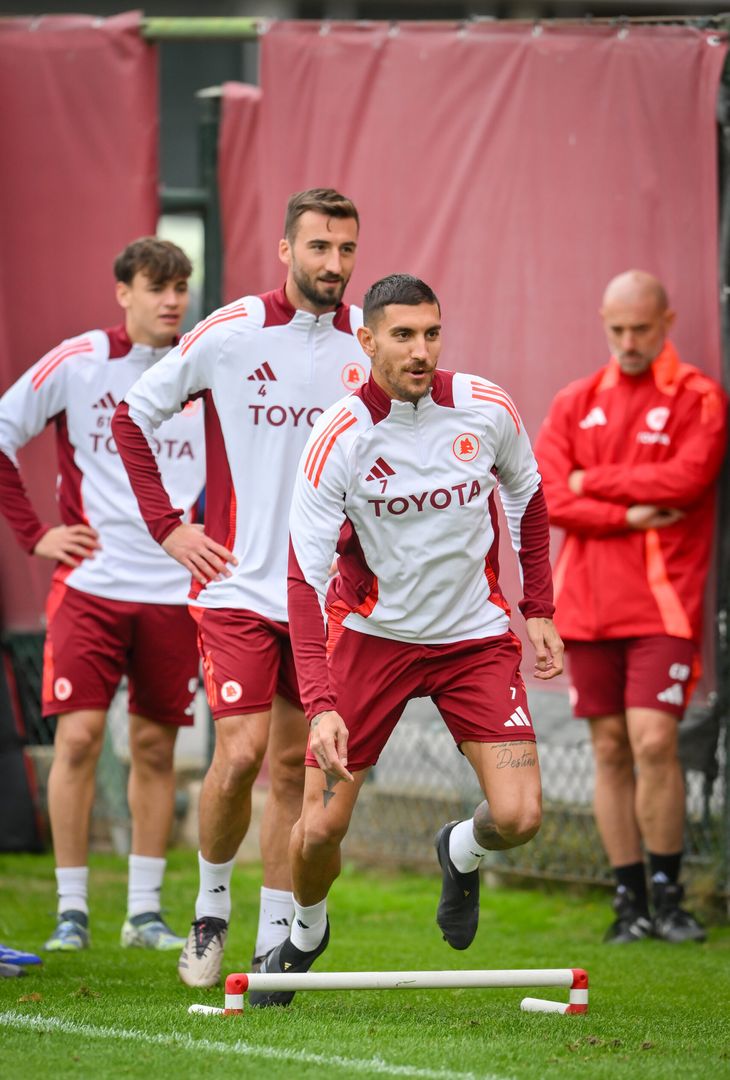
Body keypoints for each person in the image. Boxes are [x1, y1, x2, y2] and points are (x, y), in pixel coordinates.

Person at [247, 272, 564, 1007]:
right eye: (402, 336)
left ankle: (461, 849)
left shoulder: (485, 409)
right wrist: (320, 700)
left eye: (431, 334)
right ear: (367, 341)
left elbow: (529, 496)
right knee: (319, 826)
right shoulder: (340, 436)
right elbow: (303, 579)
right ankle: (303, 931)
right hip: (370, 638)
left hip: (473, 639)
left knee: (519, 817)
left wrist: (538, 606)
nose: (420, 351)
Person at [111, 189, 367, 987]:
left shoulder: (370, 342)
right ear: (285, 250)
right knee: (242, 752)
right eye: (319, 247)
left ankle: (272, 940)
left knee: (293, 767)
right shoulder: (228, 332)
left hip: (321, 597)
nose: (333, 264)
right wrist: (168, 528)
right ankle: (211, 910)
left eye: (346, 250)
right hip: (236, 588)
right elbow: (131, 417)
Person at [0, 237, 205, 951]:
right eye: (157, 286)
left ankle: (144, 914)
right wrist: (34, 535)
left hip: (178, 592)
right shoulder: (79, 359)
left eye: (181, 287)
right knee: (80, 740)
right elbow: (1, 432)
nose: (172, 300)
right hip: (91, 586)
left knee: (155, 749)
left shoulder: (205, 367)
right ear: (123, 291)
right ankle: (71, 913)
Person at [534, 270, 727, 944]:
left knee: (653, 740)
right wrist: (630, 511)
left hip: (662, 607)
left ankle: (670, 895)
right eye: (616, 329)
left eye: (640, 328)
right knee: (610, 748)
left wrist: (594, 484)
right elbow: (549, 496)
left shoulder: (698, 397)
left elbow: (687, 478)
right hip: (585, 606)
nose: (628, 342)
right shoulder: (572, 401)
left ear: (666, 322)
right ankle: (629, 903)